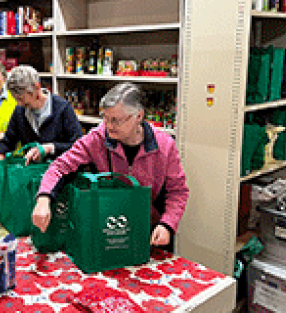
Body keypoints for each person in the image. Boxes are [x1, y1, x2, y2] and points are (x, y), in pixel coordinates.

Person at [32, 83, 188, 251]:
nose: (109, 126)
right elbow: (60, 167)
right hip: (107, 226)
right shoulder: (97, 138)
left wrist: (168, 224)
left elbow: (177, 191)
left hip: (149, 230)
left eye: (116, 120)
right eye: (105, 118)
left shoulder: (165, 145)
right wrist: (44, 199)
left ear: (139, 116)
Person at [0, 65, 83, 164]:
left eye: (21, 99)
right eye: (16, 99)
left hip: (60, 173)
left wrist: (51, 148)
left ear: (36, 88)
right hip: (31, 173)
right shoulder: (20, 111)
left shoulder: (63, 109)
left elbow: (79, 147)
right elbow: (8, 140)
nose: (19, 103)